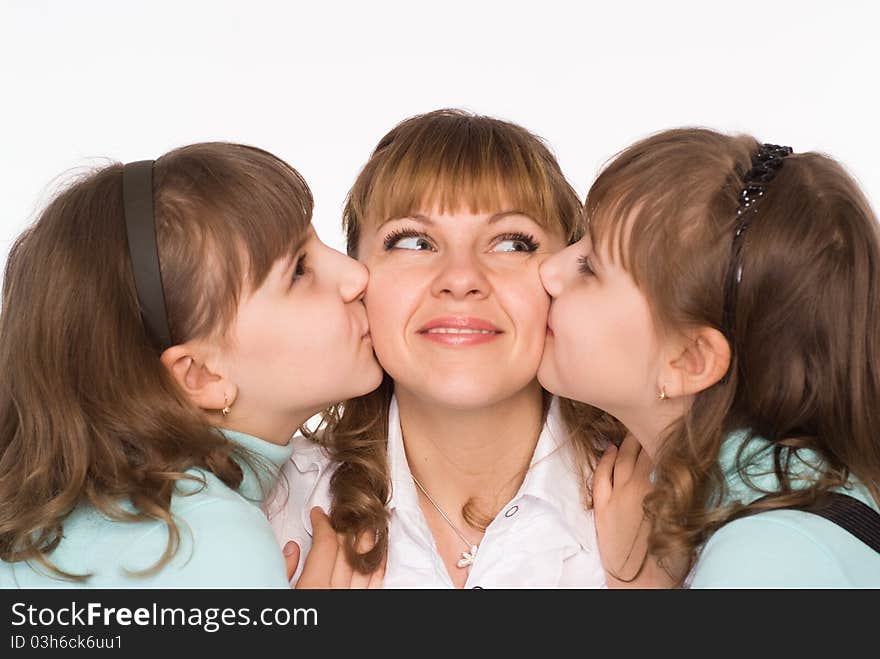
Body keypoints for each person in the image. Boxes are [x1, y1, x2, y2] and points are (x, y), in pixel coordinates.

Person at [0, 142, 383, 587]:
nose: (357, 276)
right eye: (299, 270)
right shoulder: (212, 545)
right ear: (201, 375)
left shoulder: (62, 525)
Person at [268, 109, 610, 588]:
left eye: (512, 243)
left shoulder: (676, 509)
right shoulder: (264, 514)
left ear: (569, 276)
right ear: (356, 279)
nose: (461, 279)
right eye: (413, 241)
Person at [537, 128, 880, 587]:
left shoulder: (770, 561)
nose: (548, 269)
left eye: (589, 268)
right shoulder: (793, 516)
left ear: (689, 360)